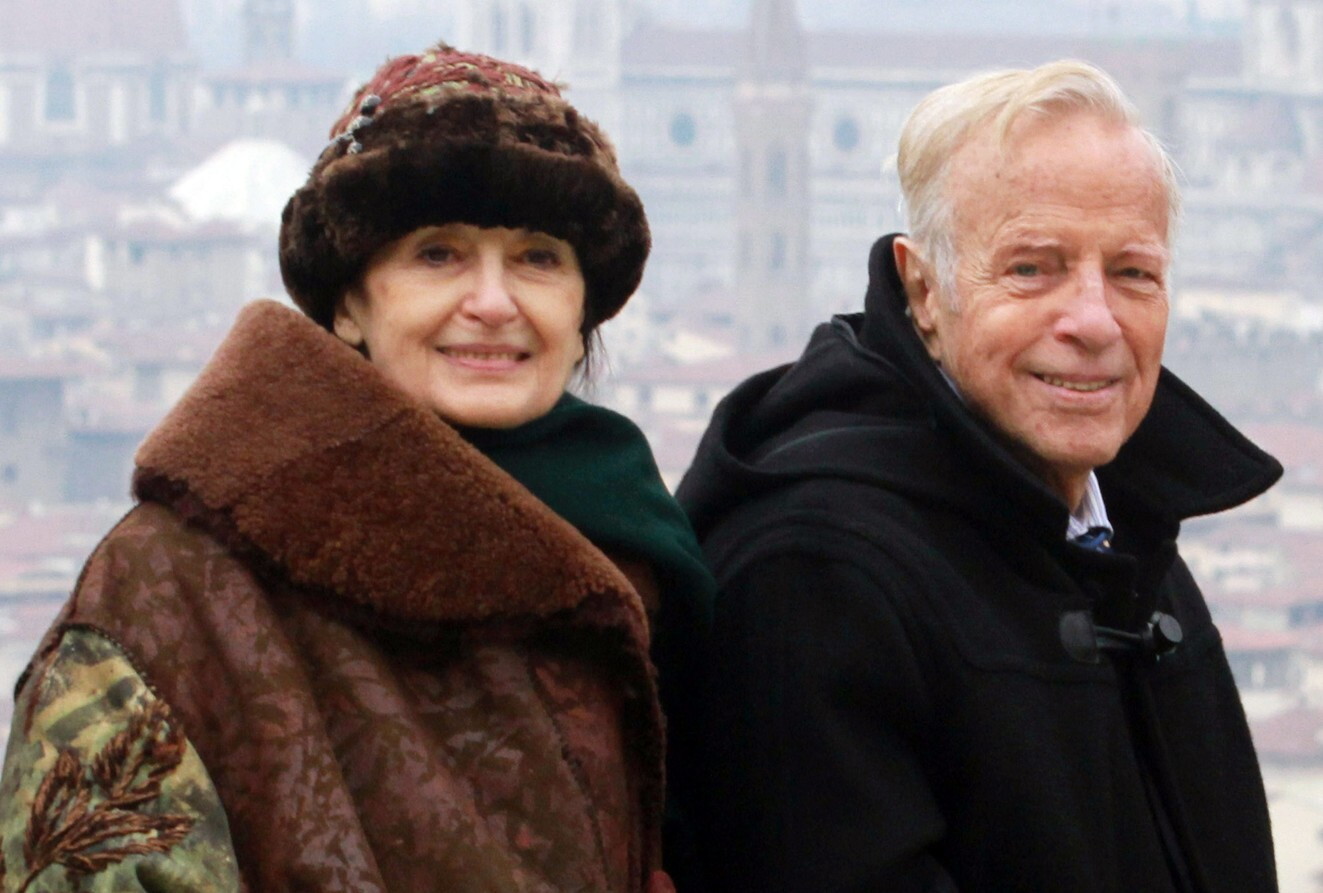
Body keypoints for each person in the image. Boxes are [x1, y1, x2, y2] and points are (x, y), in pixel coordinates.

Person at [0, 44, 711, 892]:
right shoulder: (170, 594)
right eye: (437, 254)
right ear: (348, 303)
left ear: (582, 303)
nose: (493, 302)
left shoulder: (640, 557)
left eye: (537, 257)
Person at [677, 60, 1280, 892]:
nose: (1094, 321)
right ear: (923, 288)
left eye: (1133, 272)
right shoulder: (812, 574)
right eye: (1032, 268)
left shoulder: (1131, 544)